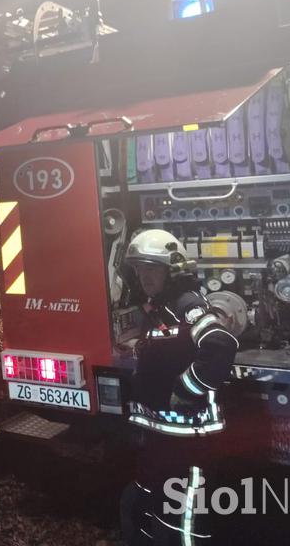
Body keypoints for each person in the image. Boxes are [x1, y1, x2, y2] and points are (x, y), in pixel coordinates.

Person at [118, 229, 239, 545]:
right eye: (139, 269)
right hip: (163, 438)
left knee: (183, 522)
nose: (144, 276)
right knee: (153, 509)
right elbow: (167, 349)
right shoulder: (158, 308)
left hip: (189, 441)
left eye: (152, 268)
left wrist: (185, 390)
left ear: (171, 271)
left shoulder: (186, 305)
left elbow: (221, 344)